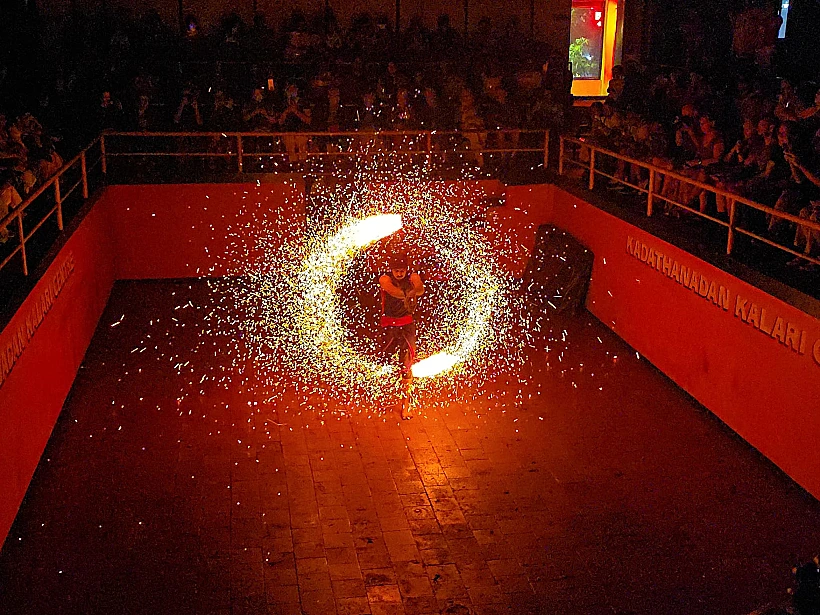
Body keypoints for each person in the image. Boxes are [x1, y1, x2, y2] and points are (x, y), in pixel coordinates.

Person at [379, 252, 424, 419]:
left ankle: (406, 406)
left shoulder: (412, 276)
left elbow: (419, 289)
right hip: (389, 327)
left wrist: (413, 292)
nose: (399, 274)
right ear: (391, 270)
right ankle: (385, 394)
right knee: (385, 363)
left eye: (402, 270)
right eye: (396, 271)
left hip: (406, 327)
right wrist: (408, 294)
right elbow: (393, 291)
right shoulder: (385, 278)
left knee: (406, 367)